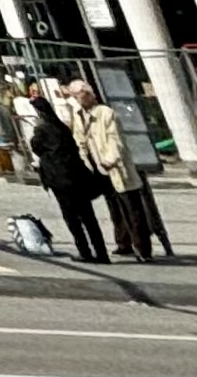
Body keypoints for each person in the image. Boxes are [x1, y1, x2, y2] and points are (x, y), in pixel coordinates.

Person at [71, 79, 155, 263]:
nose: (80, 99)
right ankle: (123, 243)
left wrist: (110, 159)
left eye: (82, 94)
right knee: (114, 207)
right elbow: (79, 138)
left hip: (116, 167)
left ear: (90, 95)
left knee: (132, 207)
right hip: (97, 167)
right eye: (76, 96)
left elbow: (115, 140)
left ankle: (143, 248)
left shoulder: (105, 113)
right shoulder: (78, 114)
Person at [26, 77, 109, 262]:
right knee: (89, 217)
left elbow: (36, 148)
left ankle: (85, 251)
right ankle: (101, 252)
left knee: (72, 218)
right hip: (77, 176)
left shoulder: (42, 130)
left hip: (59, 180)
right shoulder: (61, 127)